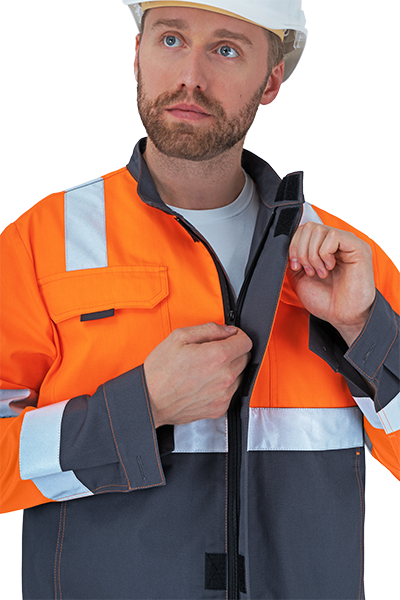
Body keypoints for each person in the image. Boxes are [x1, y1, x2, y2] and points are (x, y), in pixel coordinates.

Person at [0, 0, 399, 598]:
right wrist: (140, 409)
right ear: (137, 54)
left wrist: (363, 329)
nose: (191, 76)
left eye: (226, 49)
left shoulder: (346, 263)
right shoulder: (41, 244)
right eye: (170, 39)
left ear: (271, 81)